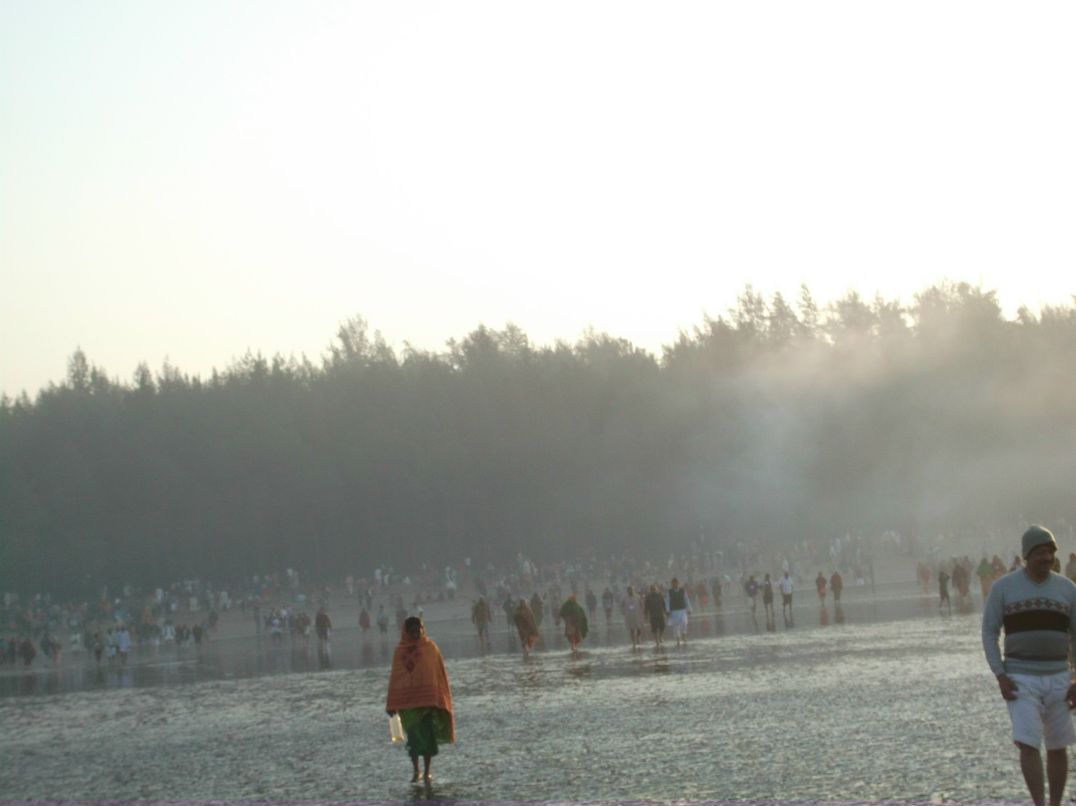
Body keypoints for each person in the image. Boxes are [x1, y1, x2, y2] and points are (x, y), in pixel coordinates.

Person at [982, 525, 1076, 806]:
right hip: (1020, 677)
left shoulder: (1068, 589)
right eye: (1040, 553)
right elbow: (989, 631)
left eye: (1050, 552)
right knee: (1028, 743)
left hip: (1059, 675)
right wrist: (1000, 673)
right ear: (1027, 555)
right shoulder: (1004, 588)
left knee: (1058, 746)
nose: (1046, 557)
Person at [386, 617, 454, 785]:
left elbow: (437, 673)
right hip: (408, 706)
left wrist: (438, 697)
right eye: (413, 630)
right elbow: (396, 679)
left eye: (419, 629)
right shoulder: (399, 652)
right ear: (406, 631)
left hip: (427, 702)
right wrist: (392, 703)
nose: (417, 632)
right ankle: (417, 770)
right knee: (415, 739)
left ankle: (427, 772)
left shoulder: (430, 648)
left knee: (428, 739)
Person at [666, 578, 691, 647]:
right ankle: (678, 640)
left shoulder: (682, 591)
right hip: (674, 611)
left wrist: (689, 609)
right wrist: (667, 610)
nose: (675, 584)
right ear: (672, 584)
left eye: (676, 583)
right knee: (676, 626)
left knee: (684, 622)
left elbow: (686, 600)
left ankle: (684, 634)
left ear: (678, 583)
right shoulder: (669, 592)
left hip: (682, 610)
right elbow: (667, 601)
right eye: (673, 583)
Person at [622, 585, 645, 649]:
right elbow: (621, 605)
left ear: (633, 590)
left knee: (639, 629)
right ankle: (634, 642)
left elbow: (642, 604)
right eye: (629, 590)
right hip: (629, 616)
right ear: (627, 591)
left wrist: (642, 612)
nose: (630, 591)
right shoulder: (625, 598)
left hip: (637, 615)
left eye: (632, 590)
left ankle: (637, 637)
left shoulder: (637, 597)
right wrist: (623, 612)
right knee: (631, 630)